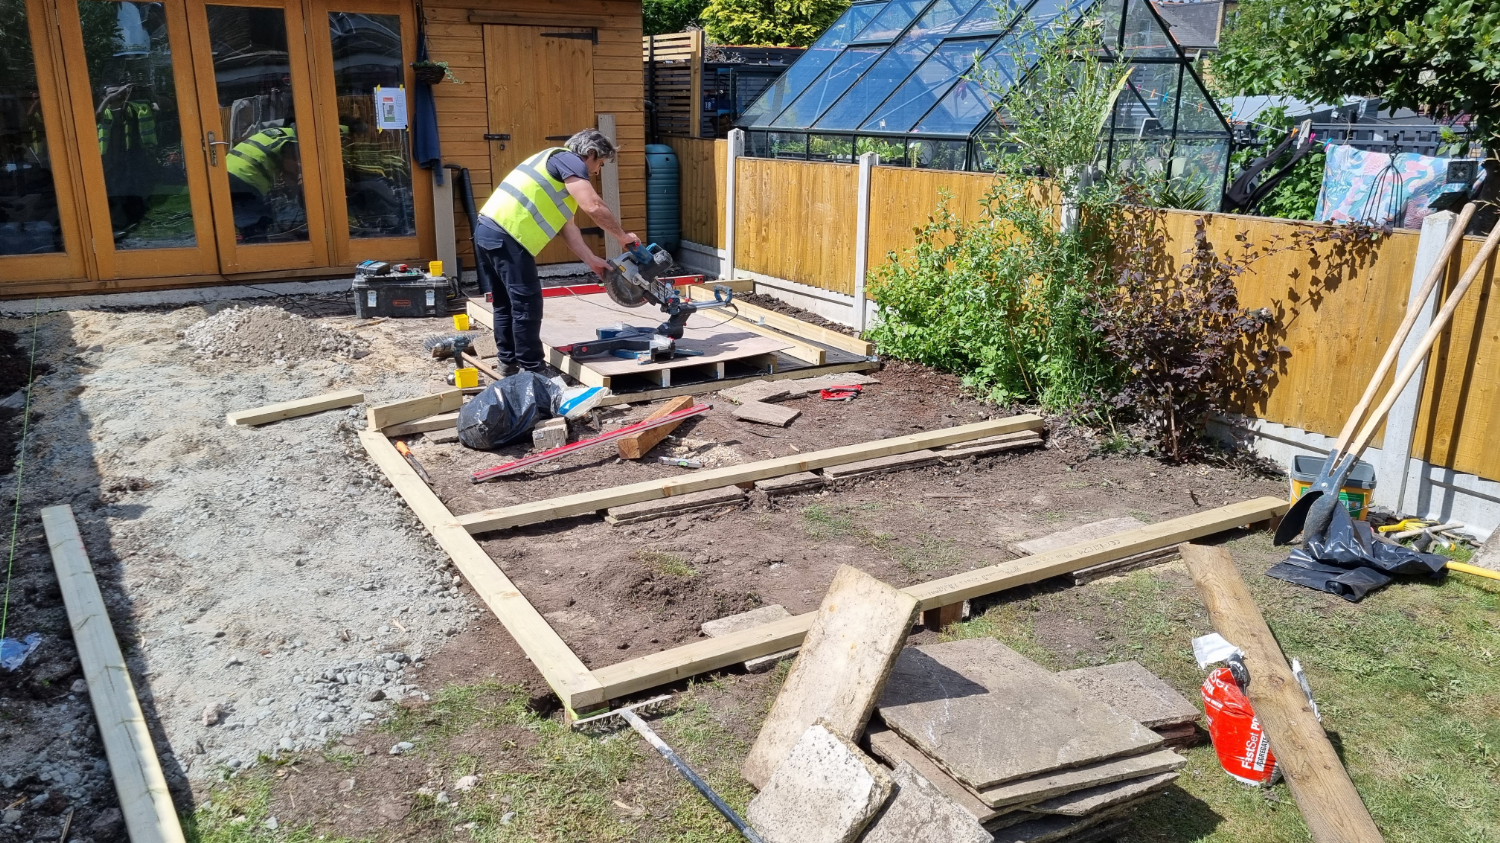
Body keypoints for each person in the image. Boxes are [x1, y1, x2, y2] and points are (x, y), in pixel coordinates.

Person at [476, 129, 638, 374]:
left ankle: (507, 364)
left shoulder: (554, 166)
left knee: (505, 303)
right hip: (508, 236)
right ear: (590, 153)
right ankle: (533, 370)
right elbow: (593, 206)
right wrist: (623, 237)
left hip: (487, 231)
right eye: (600, 164)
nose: (596, 172)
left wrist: (591, 260)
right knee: (527, 304)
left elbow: (568, 228)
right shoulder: (568, 160)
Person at [225, 125, 300, 242]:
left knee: (244, 215)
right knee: (259, 219)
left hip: (226, 172)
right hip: (244, 177)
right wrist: (298, 187)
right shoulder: (291, 140)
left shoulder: (276, 133)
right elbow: (290, 167)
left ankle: (244, 241)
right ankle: (255, 247)